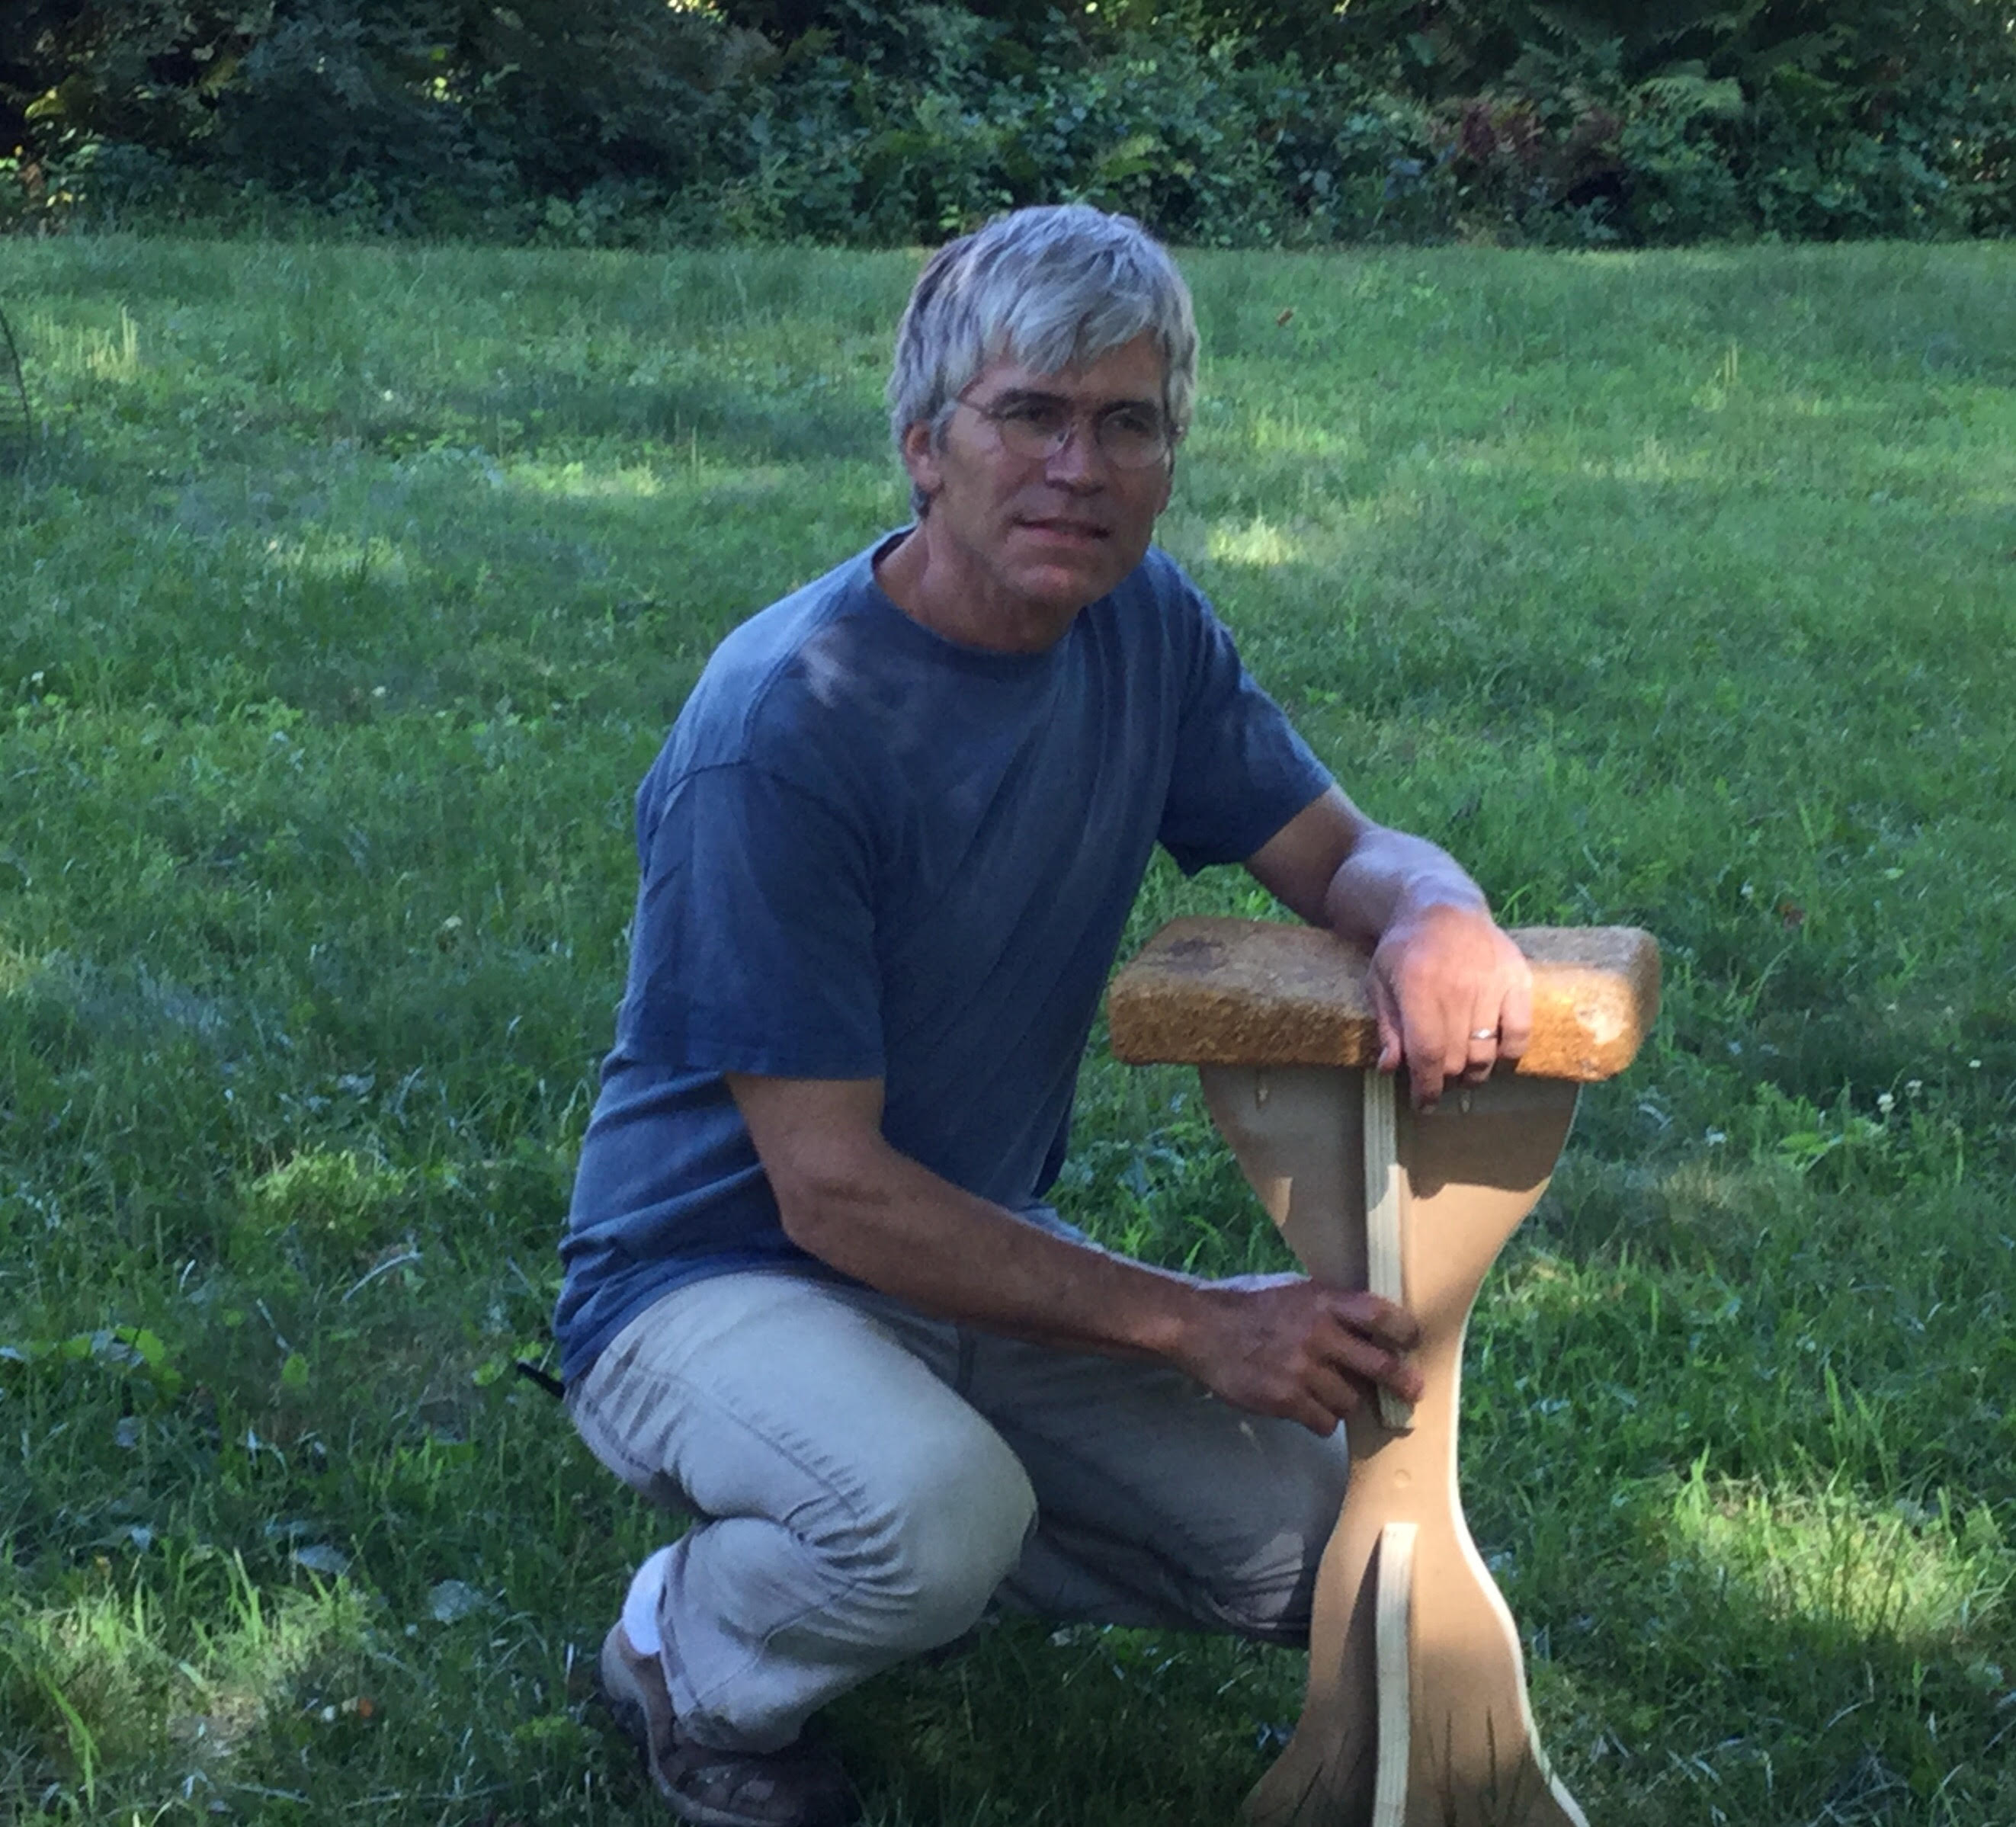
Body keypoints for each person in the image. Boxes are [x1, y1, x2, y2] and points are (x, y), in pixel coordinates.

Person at [554, 204, 1533, 1827]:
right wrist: (1196, 1323)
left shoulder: (1140, 629)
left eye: (1127, 422)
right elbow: (829, 1186)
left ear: (1169, 454)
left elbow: (1342, 850)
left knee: (1324, 1549)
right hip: (706, 1275)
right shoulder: (785, 726)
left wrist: (1438, 908)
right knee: (922, 1521)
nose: (1080, 465)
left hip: (962, 1255)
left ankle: (927, 1522)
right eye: (1031, 414)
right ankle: (693, 1643)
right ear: (926, 447)